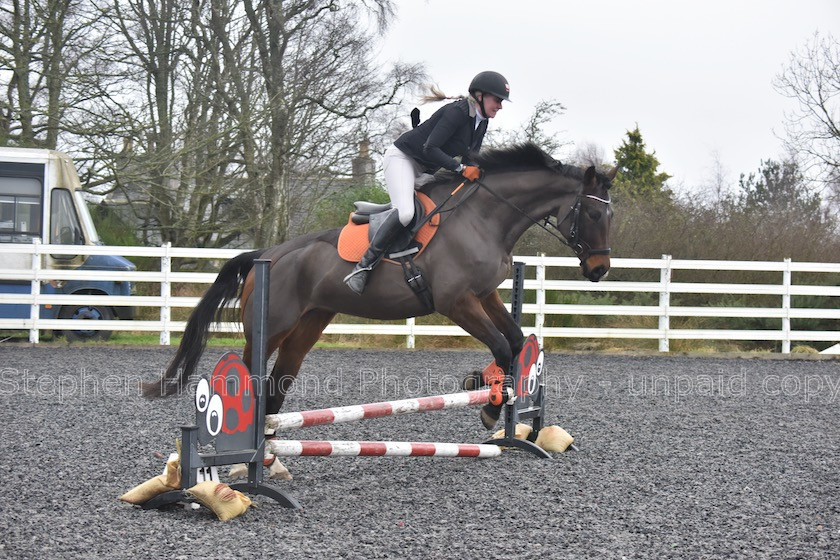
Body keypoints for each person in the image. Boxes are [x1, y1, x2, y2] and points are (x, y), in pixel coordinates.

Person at [343, 70, 511, 294]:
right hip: (402, 159)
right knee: (404, 213)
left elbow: (471, 159)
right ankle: (363, 266)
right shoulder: (457, 113)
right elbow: (429, 148)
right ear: (480, 96)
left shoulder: (481, 122)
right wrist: (460, 168)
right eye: (497, 99)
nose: (500, 106)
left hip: (425, 168)